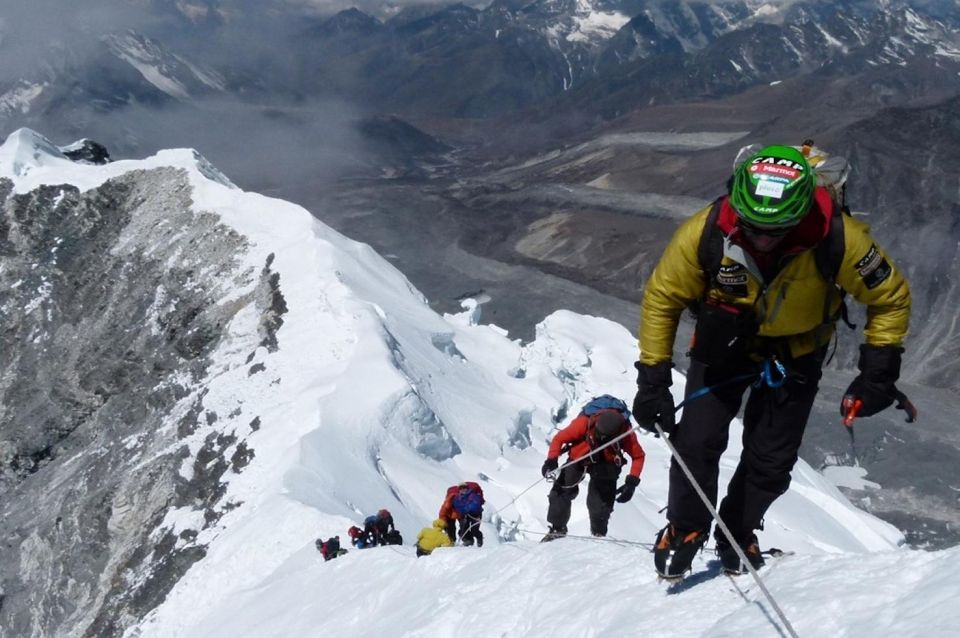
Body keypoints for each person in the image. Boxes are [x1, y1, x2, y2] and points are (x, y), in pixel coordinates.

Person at [633, 144, 911, 577]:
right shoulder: (707, 230)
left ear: (800, 216)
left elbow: (889, 297)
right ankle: (686, 527)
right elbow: (663, 298)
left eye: (775, 230)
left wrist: (879, 369)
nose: (761, 238)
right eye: (752, 228)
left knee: (771, 459)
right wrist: (652, 378)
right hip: (723, 348)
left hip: (795, 355)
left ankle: (736, 530)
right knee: (694, 442)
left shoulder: (838, 236)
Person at [540, 407, 645, 540]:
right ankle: (557, 529)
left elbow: (638, 456)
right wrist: (551, 459)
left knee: (601, 503)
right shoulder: (584, 423)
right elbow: (559, 439)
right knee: (562, 490)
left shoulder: (626, 433)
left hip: (606, 463)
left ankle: (598, 534)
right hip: (580, 456)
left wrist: (632, 482)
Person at [438, 482, 485, 547]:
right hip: (464, 515)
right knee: (463, 529)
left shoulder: (472, 495)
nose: (463, 490)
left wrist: (465, 509)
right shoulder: (457, 498)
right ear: (459, 490)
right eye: (461, 488)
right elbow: (457, 507)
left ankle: (479, 539)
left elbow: (475, 505)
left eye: (464, 488)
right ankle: (468, 541)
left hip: (475, 515)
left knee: (474, 530)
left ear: (467, 488)